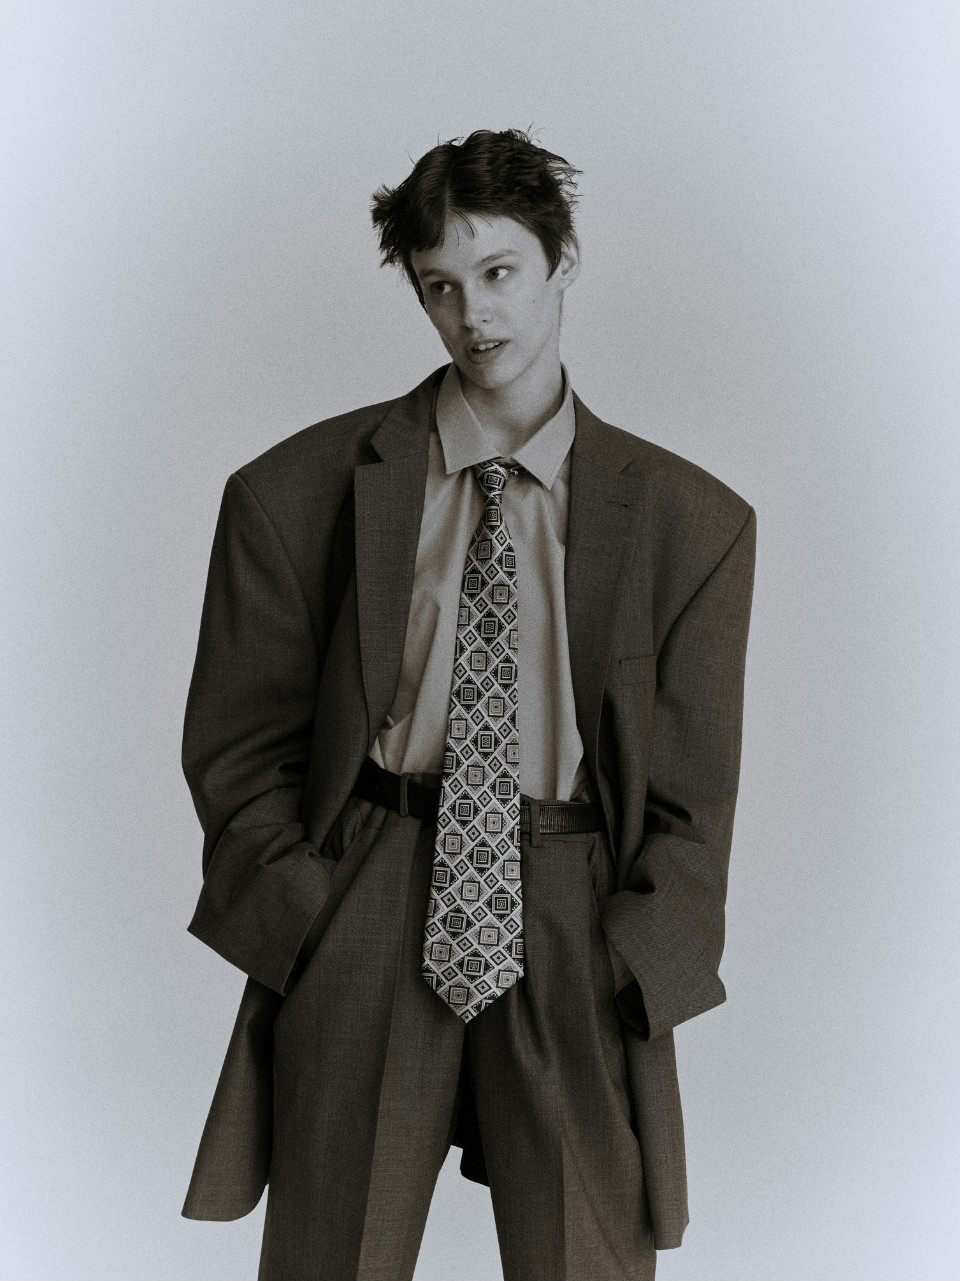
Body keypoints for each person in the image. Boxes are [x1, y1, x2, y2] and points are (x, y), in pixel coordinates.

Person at [180, 128, 757, 1281]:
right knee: (333, 1261)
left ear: (561, 260)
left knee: (585, 1261)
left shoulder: (692, 523)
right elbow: (236, 747)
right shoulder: (294, 491)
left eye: (498, 273)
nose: (472, 313)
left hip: (572, 906)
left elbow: (695, 800)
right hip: (372, 885)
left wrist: (632, 961)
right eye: (439, 286)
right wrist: (307, 914)